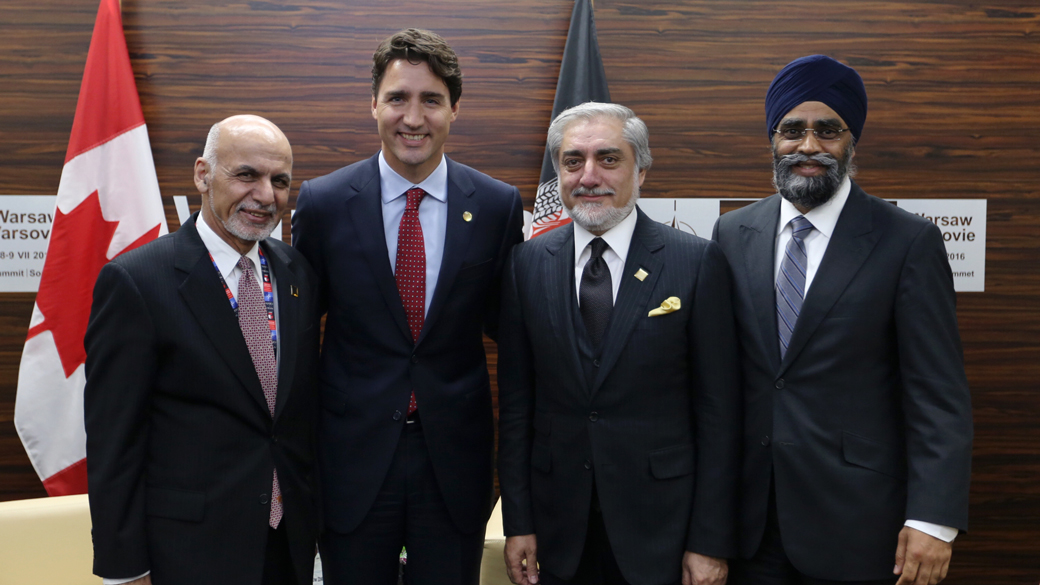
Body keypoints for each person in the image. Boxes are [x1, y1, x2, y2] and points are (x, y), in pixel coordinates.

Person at [712, 55, 973, 585]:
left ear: (852, 142)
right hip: (750, 528)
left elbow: (937, 394)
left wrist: (933, 520)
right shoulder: (732, 233)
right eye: (792, 130)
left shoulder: (906, 241)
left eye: (827, 130)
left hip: (860, 526)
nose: (808, 146)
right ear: (772, 139)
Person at [291, 28, 524, 585]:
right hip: (352, 463)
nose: (412, 117)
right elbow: (298, 339)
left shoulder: (495, 204)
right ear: (373, 103)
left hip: (454, 465)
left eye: (431, 100)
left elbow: (511, 335)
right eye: (398, 98)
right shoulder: (322, 202)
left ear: (454, 110)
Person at [497, 102, 741, 585]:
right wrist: (518, 522)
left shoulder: (695, 262)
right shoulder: (525, 263)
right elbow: (518, 406)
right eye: (573, 161)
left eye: (608, 159)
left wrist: (709, 540)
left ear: (641, 171)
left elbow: (719, 414)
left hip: (663, 530)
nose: (589, 176)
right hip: (557, 528)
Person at [84, 114, 321, 585]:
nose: (265, 195)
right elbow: (114, 442)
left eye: (280, 181)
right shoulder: (137, 281)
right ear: (202, 174)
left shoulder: (296, 272)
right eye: (246, 175)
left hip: (288, 545)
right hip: (188, 552)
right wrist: (125, 569)